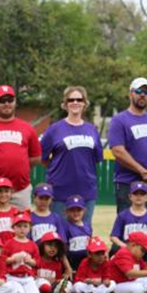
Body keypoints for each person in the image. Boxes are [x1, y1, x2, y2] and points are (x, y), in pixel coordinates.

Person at [41, 86, 102, 229]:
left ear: (84, 103)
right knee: (59, 234)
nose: (75, 102)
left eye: (79, 99)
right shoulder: (54, 129)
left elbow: (97, 158)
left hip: (86, 190)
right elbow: (42, 157)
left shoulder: (91, 129)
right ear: (65, 104)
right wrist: (57, 169)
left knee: (83, 233)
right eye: (71, 99)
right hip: (60, 191)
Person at [108, 78, 147, 212]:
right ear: (131, 93)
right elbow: (118, 151)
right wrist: (141, 170)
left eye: (146, 92)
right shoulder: (119, 120)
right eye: (139, 91)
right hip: (127, 183)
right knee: (128, 226)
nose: (143, 94)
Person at [0, 85, 41, 215]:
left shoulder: (27, 128)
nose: (7, 103)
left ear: (15, 102)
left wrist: (19, 167)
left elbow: (35, 157)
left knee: (21, 229)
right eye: (2, 100)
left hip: (19, 190)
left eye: (10, 100)